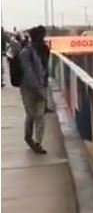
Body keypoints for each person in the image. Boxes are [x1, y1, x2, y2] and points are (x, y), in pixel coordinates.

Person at [19, 26, 48, 154]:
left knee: (40, 115)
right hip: (28, 89)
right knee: (31, 114)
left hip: (38, 87)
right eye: (42, 37)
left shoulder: (36, 51)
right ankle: (28, 137)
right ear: (36, 38)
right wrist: (39, 90)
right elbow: (29, 74)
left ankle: (38, 142)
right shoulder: (26, 52)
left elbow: (40, 69)